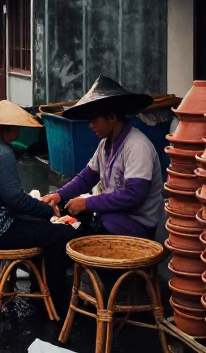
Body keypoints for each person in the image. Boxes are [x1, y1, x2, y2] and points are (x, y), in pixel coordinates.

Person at [0, 100, 78, 311]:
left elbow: (9, 199)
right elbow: (15, 201)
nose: (19, 130)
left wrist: (40, 210)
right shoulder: (1, 152)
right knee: (61, 234)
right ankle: (56, 300)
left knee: (39, 226)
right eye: (17, 126)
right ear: (7, 129)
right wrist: (48, 211)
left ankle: (40, 289)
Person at [41, 76, 164, 240]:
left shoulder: (137, 146)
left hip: (135, 225)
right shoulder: (105, 145)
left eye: (94, 120)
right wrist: (59, 196)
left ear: (112, 118)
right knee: (61, 216)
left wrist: (87, 203)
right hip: (112, 215)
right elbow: (86, 178)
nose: (91, 126)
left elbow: (134, 194)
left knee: (75, 234)